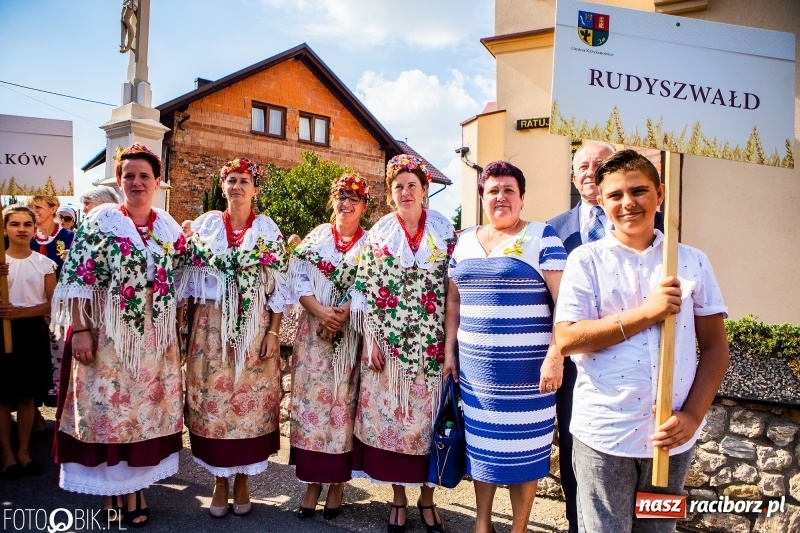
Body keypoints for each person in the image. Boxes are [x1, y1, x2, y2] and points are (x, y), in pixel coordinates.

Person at [554, 149, 729, 533]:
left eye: (638, 191)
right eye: (615, 195)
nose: (628, 203)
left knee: (657, 529)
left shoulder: (692, 261)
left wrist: (694, 416)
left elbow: (716, 347)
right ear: (601, 201)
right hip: (604, 437)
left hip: (669, 440)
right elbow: (567, 338)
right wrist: (647, 313)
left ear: (660, 194)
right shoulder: (586, 261)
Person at [52, 143, 187, 527]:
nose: (137, 182)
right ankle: (113, 490)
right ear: (119, 180)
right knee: (111, 410)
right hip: (107, 332)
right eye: (129, 175)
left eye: (145, 176)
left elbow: (188, 269)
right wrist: (80, 330)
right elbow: (77, 279)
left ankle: (135, 489)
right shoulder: (100, 221)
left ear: (158, 182)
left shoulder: (167, 225)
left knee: (142, 413)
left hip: (152, 338)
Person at [546, 141, 665, 533]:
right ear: (575, 175)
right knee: (580, 458)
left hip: (653, 399)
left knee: (655, 505)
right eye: (583, 165)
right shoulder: (555, 229)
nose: (590, 171)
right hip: (579, 371)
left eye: (599, 163)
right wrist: (555, 353)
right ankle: (579, 522)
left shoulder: (663, 236)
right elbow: (557, 313)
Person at [443, 161, 566, 533]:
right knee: (483, 449)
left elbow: (566, 305)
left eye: (508, 190)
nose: (501, 197)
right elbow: (453, 304)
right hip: (476, 374)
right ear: (482, 196)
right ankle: (482, 524)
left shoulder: (542, 237)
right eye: (492, 190)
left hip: (529, 375)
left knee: (525, 453)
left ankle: (519, 527)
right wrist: (450, 353)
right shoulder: (463, 241)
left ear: (522, 198)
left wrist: (555, 355)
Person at [350, 154, 455, 533]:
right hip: (388, 352)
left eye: (412, 185)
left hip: (432, 348)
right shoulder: (379, 233)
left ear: (425, 190)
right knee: (393, 424)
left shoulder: (444, 231)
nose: (406, 192)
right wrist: (371, 341)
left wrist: (452, 347)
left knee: (427, 429)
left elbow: (454, 291)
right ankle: (398, 498)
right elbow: (363, 291)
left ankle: (428, 499)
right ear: (390, 194)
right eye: (398, 187)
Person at [180, 157, 289, 518]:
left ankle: (243, 480)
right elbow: (189, 283)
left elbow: (279, 288)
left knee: (250, 402)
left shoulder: (268, 230)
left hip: (254, 326)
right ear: (223, 187)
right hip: (211, 327)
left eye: (244, 180)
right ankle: (220, 481)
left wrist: (273, 332)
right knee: (213, 401)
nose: (237, 186)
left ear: (255, 189)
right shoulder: (206, 226)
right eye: (231, 180)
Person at [288, 173, 370, 520]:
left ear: (364, 206)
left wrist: (343, 313)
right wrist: (321, 311)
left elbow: (371, 283)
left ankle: (337, 482)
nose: (346, 204)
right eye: (341, 197)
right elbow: (297, 275)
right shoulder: (318, 236)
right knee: (312, 404)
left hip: (349, 336)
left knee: (342, 406)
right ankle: (312, 483)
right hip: (314, 334)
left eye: (354, 198)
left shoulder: (371, 243)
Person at [0, 206, 56, 480]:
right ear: (4, 229)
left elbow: (52, 304)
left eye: (27, 223)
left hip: (31, 331)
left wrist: (20, 312)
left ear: (35, 229)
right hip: (2, 330)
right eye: (14, 224)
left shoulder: (43, 264)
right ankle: (6, 453)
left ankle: (24, 451)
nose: (21, 229)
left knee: (27, 395)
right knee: (2, 395)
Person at [25, 196, 74, 422]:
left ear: (53, 208)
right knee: (33, 358)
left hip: (61, 309)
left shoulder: (70, 237)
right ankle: (33, 415)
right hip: (31, 306)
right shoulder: (25, 236)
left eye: (38, 207)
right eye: (30, 207)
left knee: (60, 359)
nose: (33, 211)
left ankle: (62, 417)